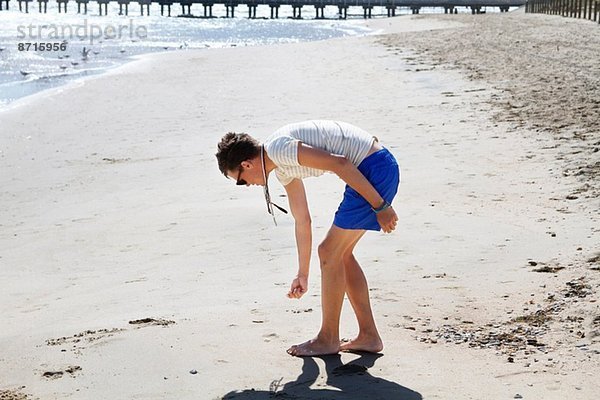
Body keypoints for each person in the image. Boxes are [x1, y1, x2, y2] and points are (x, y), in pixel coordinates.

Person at [215, 120, 400, 357]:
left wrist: (380, 205)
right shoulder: (281, 166)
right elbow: (303, 220)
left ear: (246, 164)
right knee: (340, 254)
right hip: (370, 169)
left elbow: (339, 162)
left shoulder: (278, 150)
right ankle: (369, 336)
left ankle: (328, 339)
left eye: (240, 180)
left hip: (373, 169)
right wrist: (302, 274)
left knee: (329, 252)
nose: (246, 184)